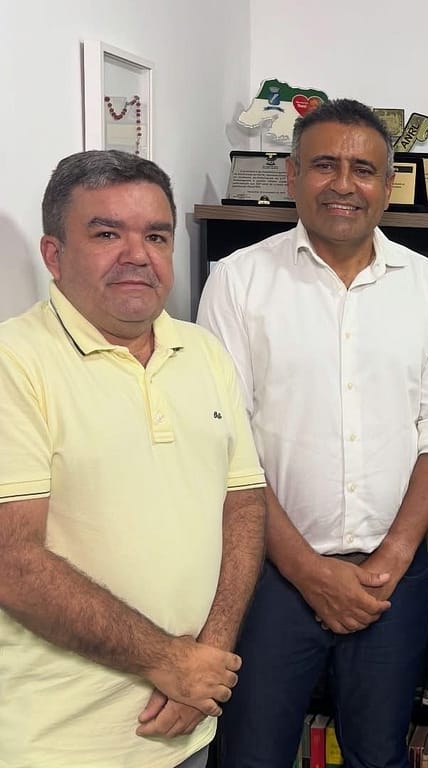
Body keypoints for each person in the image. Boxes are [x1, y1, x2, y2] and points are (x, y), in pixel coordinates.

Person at [198, 98, 428, 768]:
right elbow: (228, 445)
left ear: (388, 184)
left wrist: (393, 557)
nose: (344, 183)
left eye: (363, 169)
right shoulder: (237, 281)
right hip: (268, 576)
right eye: (324, 165)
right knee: (252, 755)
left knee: (378, 754)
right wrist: (308, 571)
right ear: (292, 176)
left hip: (389, 579)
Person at [0, 150, 267, 768]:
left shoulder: (203, 352)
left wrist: (207, 659)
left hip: (187, 725)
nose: (137, 255)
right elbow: (12, 562)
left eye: (156, 235)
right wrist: (170, 661)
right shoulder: (15, 363)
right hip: (61, 743)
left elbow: (244, 503)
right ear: (53, 254)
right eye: (106, 234)